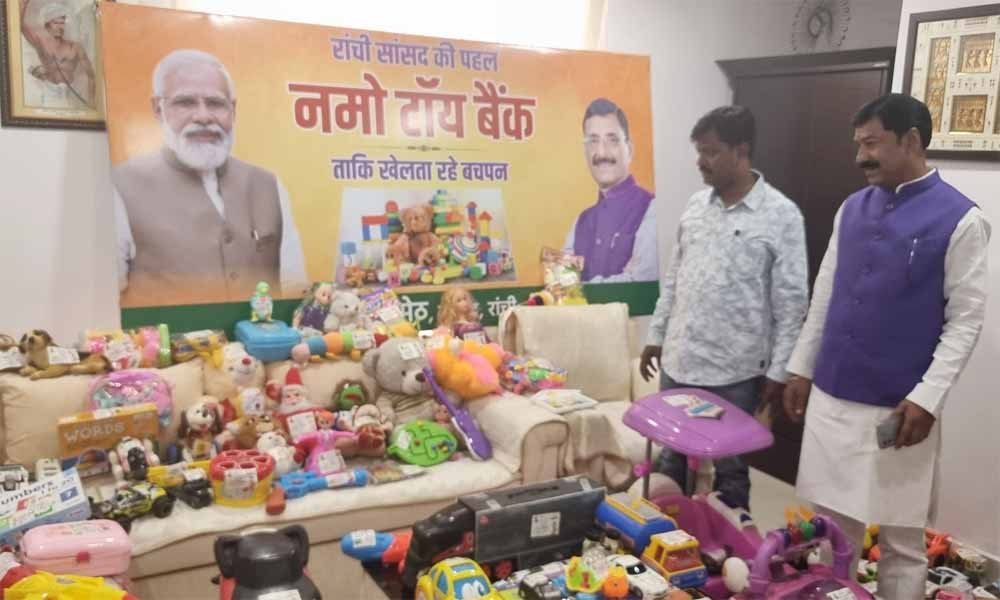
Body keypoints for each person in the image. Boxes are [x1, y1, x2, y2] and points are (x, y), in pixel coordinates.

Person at [783, 94, 989, 599]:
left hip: (898, 407)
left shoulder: (962, 219)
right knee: (834, 533)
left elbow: (966, 320)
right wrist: (800, 368)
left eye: (872, 144)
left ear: (912, 140)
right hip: (833, 394)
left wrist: (927, 397)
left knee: (901, 537)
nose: (861, 157)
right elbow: (825, 292)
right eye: (858, 144)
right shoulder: (852, 207)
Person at [639, 106, 808, 510]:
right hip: (679, 362)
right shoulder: (696, 206)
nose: (701, 161)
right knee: (670, 462)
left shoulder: (781, 215)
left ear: (741, 151)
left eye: (711, 152)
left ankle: (731, 554)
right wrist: (657, 335)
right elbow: (675, 277)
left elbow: (792, 301)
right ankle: (666, 553)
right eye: (699, 151)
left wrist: (780, 371)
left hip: (736, 372)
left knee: (730, 470)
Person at [113, 49, 307, 306]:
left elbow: (294, 286)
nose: (203, 116)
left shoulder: (268, 185)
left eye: (215, 103)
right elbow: (107, 299)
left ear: (233, 110)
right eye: (185, 102)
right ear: (158, 109)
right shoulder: (120, 186)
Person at [564, 98, 657, 283]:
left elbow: (641, 281)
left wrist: (580, 287)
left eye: (612, 140)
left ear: (629, 150)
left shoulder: (651, 209)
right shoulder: (580, 223)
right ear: (585, 152)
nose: (602, 152)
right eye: (593, 141)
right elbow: (562, 285)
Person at [19, 0, 96, 108]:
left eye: (62, 23)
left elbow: (91, 75)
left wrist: (92, 100)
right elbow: (20, 25)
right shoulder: (41, 44)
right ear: (47, 25)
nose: (60, 27)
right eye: (56, 23)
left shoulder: (75, 47)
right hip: (49, 92)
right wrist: (24, 3)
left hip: (70, 94)